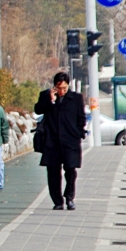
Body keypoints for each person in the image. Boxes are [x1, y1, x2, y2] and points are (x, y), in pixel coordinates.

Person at [34, 72, 86, 210]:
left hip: (70, 141)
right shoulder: (46, 96)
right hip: (52, 142)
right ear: (54, 86)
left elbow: (81, 118)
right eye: (59, 88)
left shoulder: (76, 98)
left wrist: (78, 132)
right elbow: (38, 110)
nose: (62, 91)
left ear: (68, 85)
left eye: (64, 88)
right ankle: (57, 201)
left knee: (71, 171)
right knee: (52, 173)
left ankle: (69, 198)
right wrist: (50, 100)